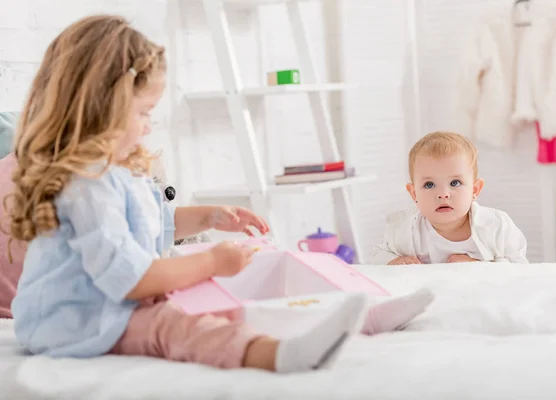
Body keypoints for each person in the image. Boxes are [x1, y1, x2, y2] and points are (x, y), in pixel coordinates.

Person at [8, 15, 431, 373]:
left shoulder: (112, 173)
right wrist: (211, 261)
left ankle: (363, 314)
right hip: (74, 322)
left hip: (115, 299)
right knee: (176, 325)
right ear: (104, 107)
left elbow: (151, 226)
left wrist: (209, 217)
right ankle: (277, 354)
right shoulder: (87, 188)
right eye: (143, 113)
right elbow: (131, 280)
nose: (148, 127)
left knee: (251, 270)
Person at [372, 131, 528, 265]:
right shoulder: (404, 230)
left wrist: (477, 265)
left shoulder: (496, 226)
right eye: (429, 185)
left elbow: (520, 267)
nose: (443, 194)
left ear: (475, 189)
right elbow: (378, 256)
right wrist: (393, 261)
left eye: (455, 182)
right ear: (414, 194)